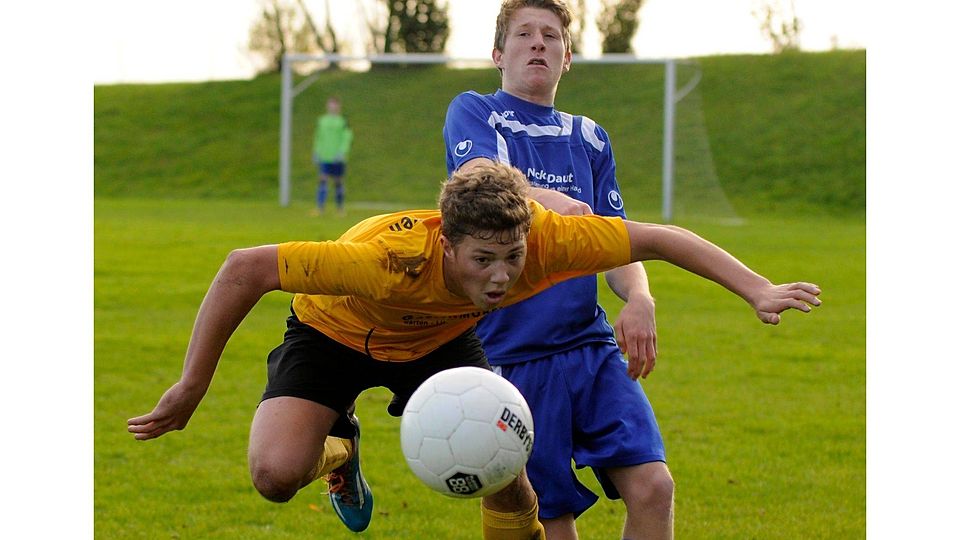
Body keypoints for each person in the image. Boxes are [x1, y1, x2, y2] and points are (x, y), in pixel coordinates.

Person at [127, 161, 821, 539]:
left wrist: (756, 288)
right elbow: (244, 268)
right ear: (447, 245)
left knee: (508, 479)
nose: (501, 275)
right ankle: (340, 450)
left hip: (440, 339)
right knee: (275, 477)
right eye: (483, 259)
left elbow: (662, 238)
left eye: (512, 256)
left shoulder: (547, 243)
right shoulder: (384, 260)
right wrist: (191, 386)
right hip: (336, 333)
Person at [440, 1, 664, 537]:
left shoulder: (588, 137)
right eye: (523, 34)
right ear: (498, 53)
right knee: (551, 519)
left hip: (588, 346)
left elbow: (616, 240)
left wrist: (638, 298)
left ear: (567, 58)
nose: (538, 43)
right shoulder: (475, 111)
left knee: (655, 488)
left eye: (550, 35)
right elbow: (482, 175)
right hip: (510, 357)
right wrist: (554, 205)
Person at [312, 96, 353, 216]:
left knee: (338, 182)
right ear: (327, 106)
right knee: (322, 180)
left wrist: (342, 151)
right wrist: (316, 151)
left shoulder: (343, 121)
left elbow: (347, 137)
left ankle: (340, 209)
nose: (333, 107)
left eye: (335, 104)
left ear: (339, 106)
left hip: (338, 158)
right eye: (331, 104)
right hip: (325, 156)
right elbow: (318, 137)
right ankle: (320, 208)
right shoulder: (322, 120)